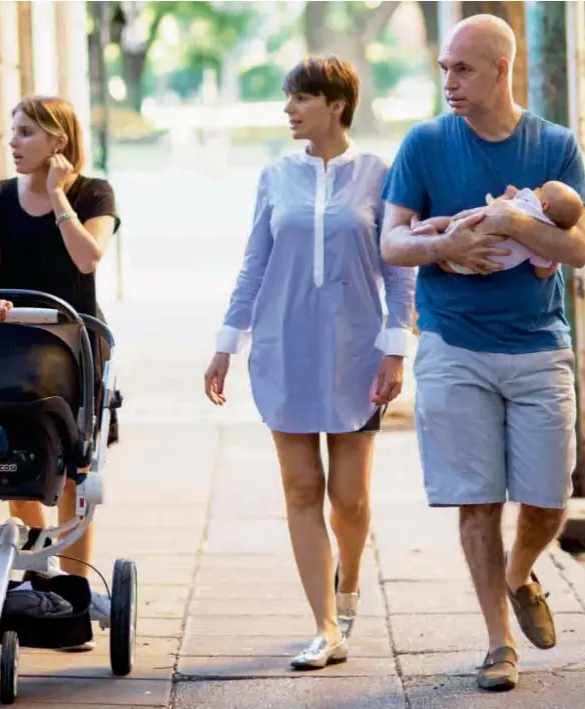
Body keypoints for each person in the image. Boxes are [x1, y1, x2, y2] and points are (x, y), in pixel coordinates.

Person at [380, 15, 585, 692]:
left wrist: (513, 221)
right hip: (452, 343)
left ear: (501, 69)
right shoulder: (423, 144)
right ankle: (498, 642)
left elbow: (578, 248)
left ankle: (518, 573)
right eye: (444, 68)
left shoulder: (554, 145)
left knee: (548, 497)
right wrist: (446, 245)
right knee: (476, 501)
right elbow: (391, 242)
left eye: (462, 69)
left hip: (538, 345)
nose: (448, 80)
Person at [204, 56, 415, 670]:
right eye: (288, 97)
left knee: (350, 499)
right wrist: (226, 344)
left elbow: (400, 272)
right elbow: (254, 265)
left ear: (336, 104)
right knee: (301, 488)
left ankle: (349, 581)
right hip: (284, 347)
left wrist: (395, 347)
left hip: (356, 351)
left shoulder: (381, 175)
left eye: (300, 98)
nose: (289, 109)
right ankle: (325, 627)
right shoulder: (275, 176)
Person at [0, 95, 121, 650]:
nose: (13, 141)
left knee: (71, 475)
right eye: (13, 130)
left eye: (25, 132)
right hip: (11, 352)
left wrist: (59, 195)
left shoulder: (94, 194)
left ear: (57, 141)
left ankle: (71, 589)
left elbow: (88, 258)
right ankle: (36, 581)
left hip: (73, 349)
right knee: (14, 465)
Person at [437, 181, 584, 276]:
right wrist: (552, 264)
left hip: (470, 223)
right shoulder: (547, 243)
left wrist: (509, 195)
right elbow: (541, 273)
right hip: (486, 258)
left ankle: (431, 227)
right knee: (447, 266)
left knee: (449, 222)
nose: (535, 189)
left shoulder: (528, 201)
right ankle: (442, 259)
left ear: (544, 205)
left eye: (539, 189)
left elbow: (506, 202)